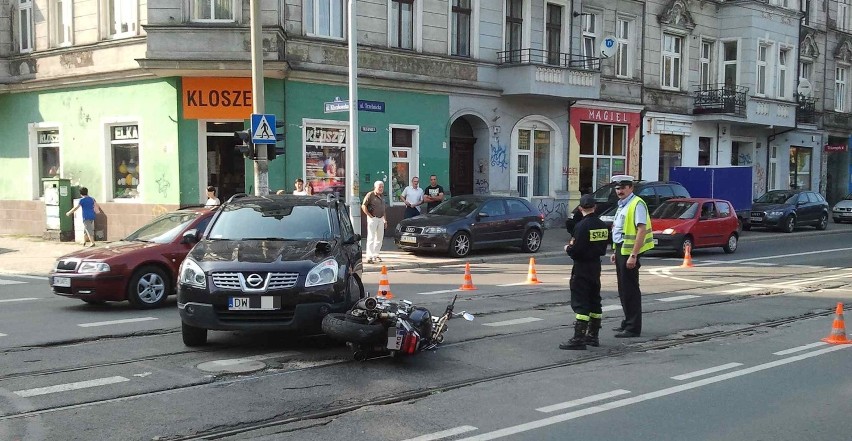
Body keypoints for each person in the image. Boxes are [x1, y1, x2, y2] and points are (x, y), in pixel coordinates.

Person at [560, 194, 609, 350]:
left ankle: (578, 339)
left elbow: (577, 251)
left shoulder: (581, 226)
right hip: (595, 267)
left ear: (581, 208)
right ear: (595, 207)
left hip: (581, 268)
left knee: (581, 302)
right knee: (595, 300)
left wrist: (568, 248)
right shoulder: (602, 225)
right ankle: (593, 336)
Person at [609, 175, 654, 338]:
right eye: (617, 188)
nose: (619, 191)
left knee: (630, 290)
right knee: (623, 289)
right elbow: (619, 229)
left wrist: (633, 255)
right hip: (622, 250)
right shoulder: (623, 204)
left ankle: (633, 327)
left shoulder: (637, 204)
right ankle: (627, 321)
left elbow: (641, 230)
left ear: (631, 188)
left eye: (623, 188)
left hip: (630, 252)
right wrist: (615, 250)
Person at [361, 181, 387, 264]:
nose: (381, 188)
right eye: (379, 187)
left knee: (379, 238)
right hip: (373, 218)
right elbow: (363, 205)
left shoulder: (382, 196)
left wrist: (385, 220)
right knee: (371, 237)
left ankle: (375, 255)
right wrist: (369, 215)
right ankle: (369, 256)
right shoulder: (370, 195)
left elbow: (383, 209)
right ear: (375, 187)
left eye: (382, 187)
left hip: (381, 219)